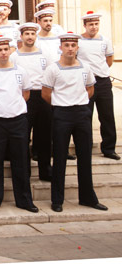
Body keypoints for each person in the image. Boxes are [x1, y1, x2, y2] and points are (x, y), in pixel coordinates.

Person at [42, 32, 108, 213]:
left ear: (77, 47)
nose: (70, 48)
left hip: (81, 113)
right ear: (61, 47)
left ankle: (87, 197)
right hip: (62, 113)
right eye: (67, 45)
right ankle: (57, 200)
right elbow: (46, 94)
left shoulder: (85, 67)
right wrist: (61, 104)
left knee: (85, 157)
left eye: (73, 45)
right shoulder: (52, 69)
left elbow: (90, 88)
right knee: (60, 157)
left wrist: (78, 102)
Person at [0, 35, 37, 213]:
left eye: (6, 49)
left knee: (20, 161)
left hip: (18, 120)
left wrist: (14, 108)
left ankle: (24, 200)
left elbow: (25, 94)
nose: (3, 53)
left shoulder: (20, 71)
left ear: (10, 50)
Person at [10, 23, 53, 181]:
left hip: (42, 95)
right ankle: (24, 172)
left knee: (44, 135)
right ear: (21, 36)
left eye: (32, 34)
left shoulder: (45, 53)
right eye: (26, 34)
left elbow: (51, 74)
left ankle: (45, 170)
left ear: (36, 36)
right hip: (24, 97)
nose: (30, 37)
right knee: (23, 135)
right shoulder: (15, 56)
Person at [78, 11, 119, 160]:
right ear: (85, 25)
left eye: (96, 24)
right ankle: (85, 147)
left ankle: (109, 148)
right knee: (85, 116)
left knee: (107, 115)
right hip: (85, 83)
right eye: (90, 24)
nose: (94, 27)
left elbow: (109, 60)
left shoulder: (105, 40)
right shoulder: (78, 41)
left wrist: (99, 71)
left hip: (102, 82)